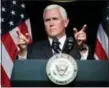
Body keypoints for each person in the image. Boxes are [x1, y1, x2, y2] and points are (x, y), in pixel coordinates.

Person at [16, 4, 91, 60]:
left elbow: (90, 73)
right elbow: (22, 73)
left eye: (55, 19)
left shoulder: (80, 48)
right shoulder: (32, 49)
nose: (51, 24)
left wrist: (82, 49)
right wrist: (22, 52)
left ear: (65, 22)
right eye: (47, 20)